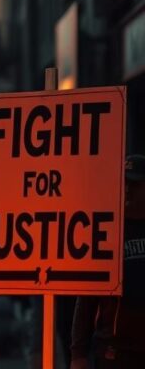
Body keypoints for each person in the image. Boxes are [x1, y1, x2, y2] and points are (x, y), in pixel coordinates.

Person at [70, 154, 145, 368]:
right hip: (113, 350)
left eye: (135, 183)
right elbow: (86, 297)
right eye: (124, 183)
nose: (128, 189)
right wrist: (78, 354)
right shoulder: (107, 231)